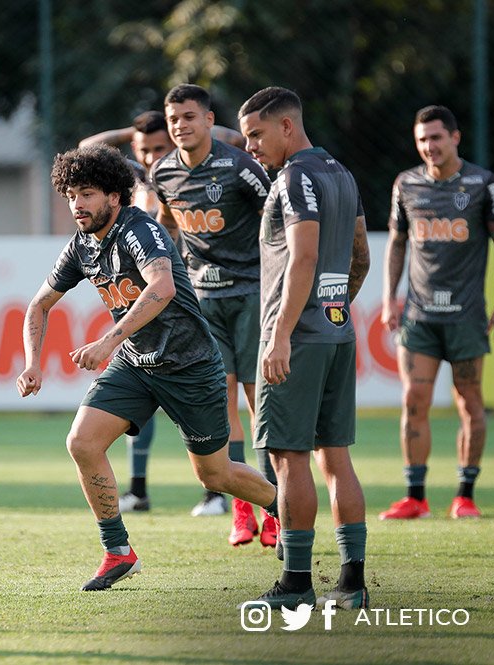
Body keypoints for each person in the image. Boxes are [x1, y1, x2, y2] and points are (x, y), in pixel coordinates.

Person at [16, 143, 277, 592]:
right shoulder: (81, 246)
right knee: (81, 442)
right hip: (137, 365)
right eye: (72, 195)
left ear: (115, 196)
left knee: (214, 474)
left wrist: (106, 341)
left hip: (191, 366)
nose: (78, 204)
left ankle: (286, 512)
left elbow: (163, 286)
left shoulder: (140, 230)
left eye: (88, 194)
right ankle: (118, 551)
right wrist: (32, 364)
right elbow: (38, 306)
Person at [238, 86, 371, 610]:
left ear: (287, 127)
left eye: (256, 134)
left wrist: (280, 334)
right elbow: (358, 254)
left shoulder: (293, 178)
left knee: (290, 459)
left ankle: (295, 585)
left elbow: (304, 255)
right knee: (336, 458)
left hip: (298, 339)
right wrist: (333, 308)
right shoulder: (341, 173)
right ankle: (353, 583)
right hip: (337, 331)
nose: (250, 146)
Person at [78, 111, 246, 516]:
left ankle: (223, 496)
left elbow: (238, 140)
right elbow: (86, 148)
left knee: (224, 395)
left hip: (184, 293)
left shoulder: (179, 173)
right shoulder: (131, 177)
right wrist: (130, 131)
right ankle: (140, 490)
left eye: (159, 147)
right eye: (144, 148)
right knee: (137, 397)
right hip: (148, 296)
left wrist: (191, 128)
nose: (152, 155)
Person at [153, 84, 278, 547]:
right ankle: (242, 511)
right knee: (221, 400)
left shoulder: (239, 166)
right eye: (173, 120)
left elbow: (277, 218)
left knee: (257, 400)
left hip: (250, 295)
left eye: (189, 117)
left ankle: (277, 510)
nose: (180, 126)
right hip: (202, 301)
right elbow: (165, 225)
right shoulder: (162, 171)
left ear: (208, 120)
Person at [378, 105, 494, 520]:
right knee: (413, 399)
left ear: (455, 138)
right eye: (421, 140)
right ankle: (415, 496)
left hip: (466, 314)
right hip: (419, 315)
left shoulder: (483, 184)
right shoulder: (406, 184)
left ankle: (465, 494)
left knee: (469, 402)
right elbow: (397, 244)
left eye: (436, 137)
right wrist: (388, 297)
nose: (429, 146)